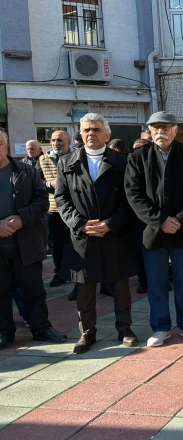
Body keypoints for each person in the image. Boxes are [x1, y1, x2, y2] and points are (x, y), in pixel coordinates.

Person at [55, 113, 138, 353]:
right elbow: (61, 198)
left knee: (120, 285)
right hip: (83, 235)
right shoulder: (66, 161)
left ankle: (125, 329)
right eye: (86, 130)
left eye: (96, 129)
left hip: (114, 234)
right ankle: (87, 333)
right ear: (80, 135)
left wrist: (111, 223)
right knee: (85, 287)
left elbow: (129, 199)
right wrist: (79, 223)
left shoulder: (122, 161)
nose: (91, 134)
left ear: (107, 134)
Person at [125, 111, 183, 347]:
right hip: (152, 231)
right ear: (149, 131)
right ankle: (160, 327)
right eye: (155, 127)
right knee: (156, 282)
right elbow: (133, 194)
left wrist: (178, 219)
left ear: (174, 129)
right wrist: (160, 220)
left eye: (165, 127)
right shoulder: (138, 156)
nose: (160, 131)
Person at [0, 130, 68, 349]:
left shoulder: (25, 170)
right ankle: (3, 332)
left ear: (7, 144)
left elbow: (42, 201)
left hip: (25, 244)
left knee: (34, 290)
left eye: (0, 143)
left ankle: (41, 328)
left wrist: (22, 218)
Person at [38, 130, 71, 288]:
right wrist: (48, 184)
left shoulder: (77, 156)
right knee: (56, 244)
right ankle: (59, 274)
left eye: (60, 140)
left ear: (68, 142)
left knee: (75, 243)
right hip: (54, 209)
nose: (56, 143)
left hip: (74, 209)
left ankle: (78, 276)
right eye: (53, 140)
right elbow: (37, 182)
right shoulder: (43, 159)